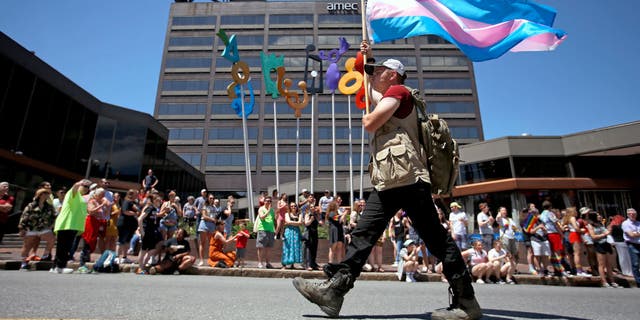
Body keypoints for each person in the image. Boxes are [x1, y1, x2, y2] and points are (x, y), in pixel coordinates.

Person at [292, 41, 481, 320]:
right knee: (365, 233)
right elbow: (367, 86)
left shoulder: (399, 91)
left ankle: (466, 303)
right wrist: (366, 59)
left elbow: (371, 121)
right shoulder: (392, 96)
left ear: (392, 74)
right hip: (394, 179)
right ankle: (333, 293)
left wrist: (368, 113)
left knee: (435, 239)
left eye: (380, 70)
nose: (376, 73)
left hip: (407, 179)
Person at [53, 179, 92, 274]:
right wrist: (80, 182)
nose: (87, 188)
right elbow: (74, 188)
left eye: (88, 187)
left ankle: (55, 267)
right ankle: (60, 266)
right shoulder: (73, 193)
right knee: (64, 246)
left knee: (64, 246)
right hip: (67, 223)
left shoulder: (81, 197)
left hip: (73, 224)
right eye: (85, 186)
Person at [18, 188, 56, 270]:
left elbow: (54, 216)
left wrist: (52, 225)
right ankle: (23, 263)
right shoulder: (31, 205)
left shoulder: (49, 206)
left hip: (43, 228)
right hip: (32, 228)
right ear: (40, 195)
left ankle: (45, 254)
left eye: (47, 194)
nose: (46, 195)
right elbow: (24, 216)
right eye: (44, 193)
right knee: (27, 246)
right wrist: (21, 228)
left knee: (52, 239)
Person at [585, 212, 620, 288]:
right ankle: (604, 282)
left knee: (609, 264)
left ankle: (612, 281)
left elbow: (607, 232)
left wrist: (608, 230)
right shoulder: (590, 226)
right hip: (599, 245)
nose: (599, 216)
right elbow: (593, 236)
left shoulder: (600, 224)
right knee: (601, 264)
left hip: (605, 244)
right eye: (597, 215)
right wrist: (603, 235)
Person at [539, 201, 567, 276]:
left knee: (552, 253)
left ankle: (556, 269)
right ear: (550, 207)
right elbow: (556, 224)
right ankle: (561, 269)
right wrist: (561, 234)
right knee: (557, 252)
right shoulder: (550, 213)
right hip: (553, 233)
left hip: (547, 234)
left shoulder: (541, 214)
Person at [562, 207, 590, 276]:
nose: (576, 212)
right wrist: (581, 230)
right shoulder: (572, 218)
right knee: (577, 253)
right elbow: (576, 228)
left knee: (576, 253)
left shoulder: (568, 218)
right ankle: (579, 271)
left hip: (573, 235)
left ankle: (577, 269)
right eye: (575, 210)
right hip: (575, 234)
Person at [116, 189, 139, 264]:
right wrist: (134, 213)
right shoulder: (127, 201)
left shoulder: (133, 202)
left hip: (130, 225)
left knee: (126, 241)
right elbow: (125, 211)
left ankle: (124, 257)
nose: (137, 196)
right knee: (121, 240)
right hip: (124, 224)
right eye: (136, 194)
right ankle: (116, 257)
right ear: (131, 194)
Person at [495, 206, 518, 275]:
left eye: (505, 210)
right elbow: (497, 218)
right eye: (502, 210)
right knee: (507, 253)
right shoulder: (500, 219)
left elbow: (515, 227)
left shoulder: (509, 219)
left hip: (512, 237)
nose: (504, 211)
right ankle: (510, 267)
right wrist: (499, 213)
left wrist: (514, 230)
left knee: (513, 253)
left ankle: (513, 268)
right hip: (505, 237)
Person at [621, 208, 640, 286]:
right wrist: (636, 233)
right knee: (635, 263)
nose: (632, 215)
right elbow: (631, 235)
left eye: (633, 213)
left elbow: (634, 234)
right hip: (632, 244)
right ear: (627, 215)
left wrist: (635, 233)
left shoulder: (638, 223)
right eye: (630, 214)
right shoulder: (625, 223)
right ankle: (639, 281)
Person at [256, 195, 276, 268]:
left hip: (270, 230)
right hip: (262, 230)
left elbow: (273, 220)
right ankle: (260, 263)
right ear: (264, 202)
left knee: (269, 248)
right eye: (267, 201)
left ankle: (268, 263)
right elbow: (262, 217)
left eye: (270, 201)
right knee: (260, 247)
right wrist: (268, 211)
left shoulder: (272, 210)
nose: (268, 202)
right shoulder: (261, 209)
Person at [196, 194, 217, 266]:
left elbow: (215, 217)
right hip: (204, 224)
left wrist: (215, 220)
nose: (212, 199)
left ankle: (210, 260)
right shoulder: (204, 206)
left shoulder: (214, 207)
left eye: (213, 198)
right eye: (211, 198)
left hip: (212, 225)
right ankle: (201, 260)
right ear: (208, 199)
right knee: (202, 243)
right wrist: (212, 219)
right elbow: (204, 216)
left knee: (211, 243)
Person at [282, 202, 303, 269]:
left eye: (295, 206)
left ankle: (292, 264)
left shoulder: (299, 214)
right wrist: (296, 223)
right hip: (288, 232)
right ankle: (284, 264)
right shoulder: (287, 214)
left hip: (296, 232)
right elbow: (288, 221)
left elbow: (300, 223)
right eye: (292, 206)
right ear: (290, 207)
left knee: (295, 247)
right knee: (287, 247)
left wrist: (291, 223)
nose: (293, 207)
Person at [301, 194, 320, 271]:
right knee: (308, 249)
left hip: (314, 233)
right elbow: (306, 223)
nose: (313, 208)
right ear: (309, 208)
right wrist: (311, 220)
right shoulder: (307, 214)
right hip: (308, 233)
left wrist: (317, 216)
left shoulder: (315, 215)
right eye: (311, 207)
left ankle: (313, 263)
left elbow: (319, 222)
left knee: (314, 248)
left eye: (314, 207)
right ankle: (307, 264)